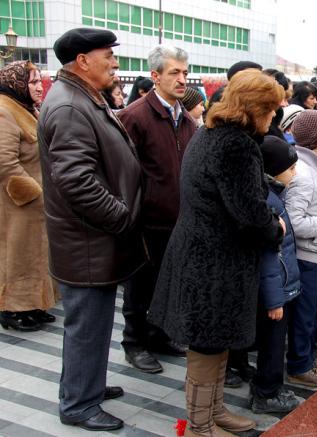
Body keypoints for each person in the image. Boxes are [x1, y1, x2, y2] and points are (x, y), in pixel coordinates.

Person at [147, 69, 285, 437]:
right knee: (207, 343)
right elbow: (249, 213)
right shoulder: (235, 143)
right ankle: (199, 426)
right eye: (270, 110)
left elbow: (226, 187)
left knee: (214, 338)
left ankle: (213, 410)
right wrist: (276, 228)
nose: (272, 118)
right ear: (255, 108)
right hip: (214, 263)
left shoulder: (211, 131)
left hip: (202, 254)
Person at [38, 28, 146, 431]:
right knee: (86, 326)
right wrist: (121, 217)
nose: (115, 63)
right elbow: (76, 183)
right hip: (88, 242)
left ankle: (87, 387)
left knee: (94, 324)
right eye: (108, 55)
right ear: (83, 60)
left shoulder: (79, 96)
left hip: (93, 240)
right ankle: (79, 404)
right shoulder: (69, 106)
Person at [117, 45, 197, 374]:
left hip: (178, 219)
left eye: (185, 73)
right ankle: (134, 343)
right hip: (147, 221)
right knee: (141, 288)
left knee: (169, 286)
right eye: (174, 73)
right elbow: (122, 174)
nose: (182, 79)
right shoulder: (134, 116)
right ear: (155, 76)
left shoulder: (187, 119)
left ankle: (160, 335)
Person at [0, 60, 58, 332]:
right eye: (33, 81)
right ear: (17, 84)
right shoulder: (4, 110)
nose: (39, 87)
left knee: (36, 256)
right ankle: (11, 308)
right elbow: (4, 163)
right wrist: (34, 195)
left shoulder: (26, 108)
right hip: (17, 205)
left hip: (35, 202)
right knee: (16, 258)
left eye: (39, 81)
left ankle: (32, 304)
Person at [285, 110, 317, 386]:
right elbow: (294, 221)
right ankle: (299, 364)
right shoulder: (303, 173)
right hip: (309, 258)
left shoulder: (313, 166)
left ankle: (309, 356)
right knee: (305, 315)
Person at [252, 136, 301, 414]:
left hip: (282, 288)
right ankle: (267, 393)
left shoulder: (274, 195)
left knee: (274, 343)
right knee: (272, 345)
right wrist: (274, 300)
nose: (295, 173)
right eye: (291, 168)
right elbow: (270, 258)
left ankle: (268, 386)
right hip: (276, 293)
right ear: (273, 169)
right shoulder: (270, 202)